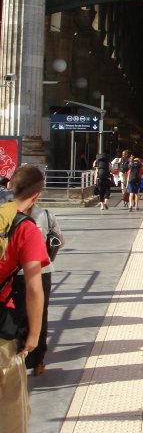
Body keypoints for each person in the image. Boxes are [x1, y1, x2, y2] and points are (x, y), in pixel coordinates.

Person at [0, 165, 49, 432]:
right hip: (3, 330)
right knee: (11, 412)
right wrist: (34, 335)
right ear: (37, 195)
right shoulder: (25, 228)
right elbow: (33, 288)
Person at [11, 186, 63, 377]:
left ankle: (16, 357)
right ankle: (38, 360)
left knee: (14, 314)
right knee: (39, 315)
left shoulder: (9, 215)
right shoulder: (46, 214)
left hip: (14, 273)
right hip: (42, 271)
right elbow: (60, 240)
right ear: (36, 194)